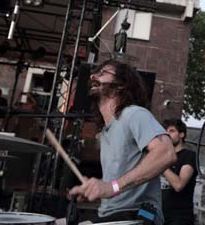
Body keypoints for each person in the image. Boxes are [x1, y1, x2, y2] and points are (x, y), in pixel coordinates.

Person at [68, 59, 176, 224]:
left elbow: (166, 154)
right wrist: (95, 189)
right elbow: (115, 183)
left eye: (103, 73)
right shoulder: (105, 132)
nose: (92, 76)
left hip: (136, 214)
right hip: (108, 216)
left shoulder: (134, 114)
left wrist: (112, 187)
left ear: (120, 85)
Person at [161, 119, 197, 225]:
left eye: (171, 131)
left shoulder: (189, 155)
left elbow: (179, 184)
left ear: (182, 134)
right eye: (166, 131)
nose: (167, 134)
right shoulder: (162, 158)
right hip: (159, 215)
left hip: (180, 217)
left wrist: (160, 165)